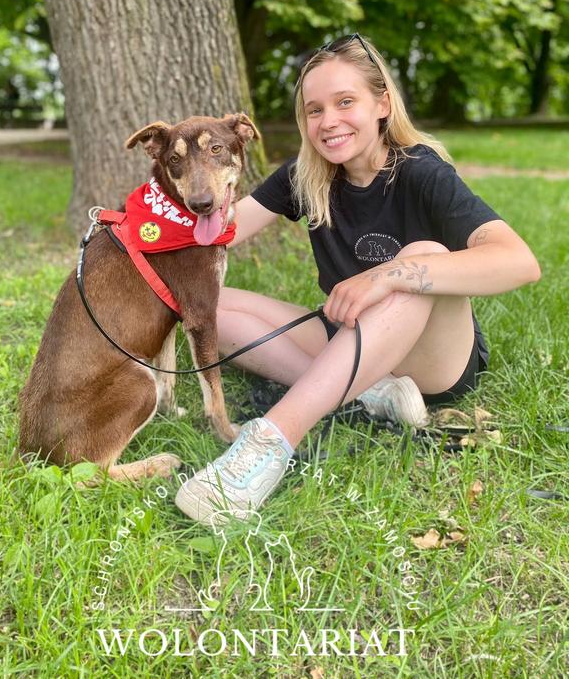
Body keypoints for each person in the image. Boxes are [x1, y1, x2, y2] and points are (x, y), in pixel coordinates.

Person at [175, 34, 541, 524]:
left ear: (382, 103)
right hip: (352, 338)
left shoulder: (421, 172)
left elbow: (519, 261)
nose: (328, 121)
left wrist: (389, 275)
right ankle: (374, 393)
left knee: (423, 256)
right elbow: (223, 232)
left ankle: (270, 444)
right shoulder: (306, 176)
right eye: (314, 110)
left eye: (345, 102)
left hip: (435, 360)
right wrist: (160, 216)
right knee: (205, 304)